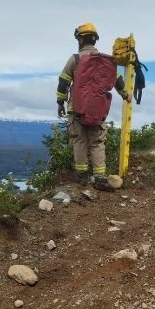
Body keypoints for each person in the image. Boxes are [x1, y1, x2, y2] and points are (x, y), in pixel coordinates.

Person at [56, 22, 130, 191]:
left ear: (80, 40)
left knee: (79, 141)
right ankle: (100, 178)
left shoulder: (75, 59)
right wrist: (126, 95)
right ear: (95, 40)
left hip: (76, 110)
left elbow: (63, 83)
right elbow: (117, 81)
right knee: (97, 143)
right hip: (97, 111)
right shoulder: (105, 62)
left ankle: (82, 177)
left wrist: (60, 103)